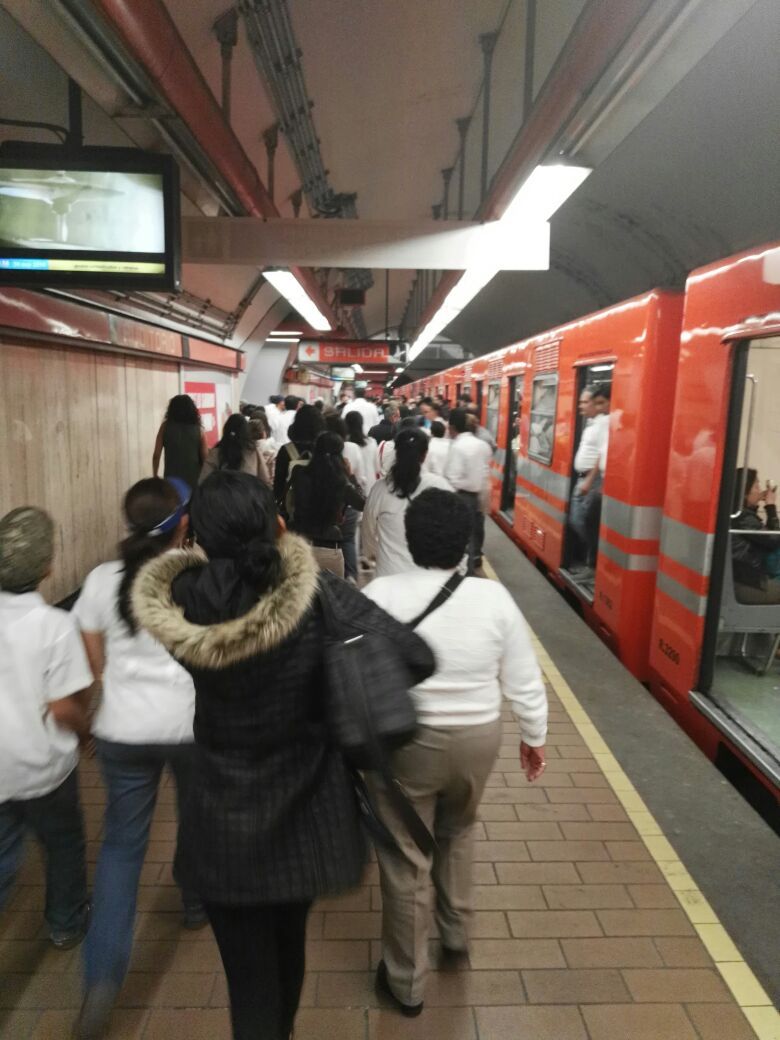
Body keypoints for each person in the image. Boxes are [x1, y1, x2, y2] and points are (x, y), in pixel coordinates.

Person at [131, 471, 435, 1040]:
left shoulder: (182, 602)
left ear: (198, 534)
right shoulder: (318, 593)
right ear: (273, 523)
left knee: (248, 983)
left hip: (220, 821)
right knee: (288, 953)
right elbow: (414, 655)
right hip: (304, 815)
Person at [363, 489, 547, 1015]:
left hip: (406, 741)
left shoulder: (381, 594)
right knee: (459, 828)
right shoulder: (494, 599)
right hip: (477, 738)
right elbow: (524, 680)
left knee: (406, 855)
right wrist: (533, 737)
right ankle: (457, 932)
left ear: (410, 537)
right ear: (467, 542)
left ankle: (405, 982)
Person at [72, 478, 202, 1038]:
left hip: (122, 730)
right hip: (191, 728)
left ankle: (101, 979)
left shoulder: (101, 580)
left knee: (122, 847)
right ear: (180, 524)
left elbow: (92, 662)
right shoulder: (196, 574)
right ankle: (196, 902)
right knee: (197, 819)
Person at [0, 507, 92, 952]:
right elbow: (63, 707)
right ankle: (65, 921)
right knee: (63, 845)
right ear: (47, 567)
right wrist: (87, 734)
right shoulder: (54, 626)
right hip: (44, 768)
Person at [363, 427, 452, 577]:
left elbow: (368, 530)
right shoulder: (441, 486)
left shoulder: (380, 489)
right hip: (428, 579)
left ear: (396, 451)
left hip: (388, 576)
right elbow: (454, 530)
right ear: (424, 455)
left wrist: (373, 554)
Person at [287, 431, 365, 578]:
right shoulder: (341, 483)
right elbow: (363, 504)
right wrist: (351, 476)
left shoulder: (300, 474)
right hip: (329, 548)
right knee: (333, 599)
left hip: (300, 546)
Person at [568, 386, 609, 579]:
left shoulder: (603, 424)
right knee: (581, 520)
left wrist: (590, 480)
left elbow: (601, 454)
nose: (580, 406)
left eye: (585, 402)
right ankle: (591, 560)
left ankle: (594, 563)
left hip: (590, 481)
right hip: (584, 479)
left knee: (583, 521)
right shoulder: (593, 423)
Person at [444, 409, 492, 574]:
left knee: (463, 539)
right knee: (474, 535)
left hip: (461, 496)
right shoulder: (482, 445)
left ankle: (466, 573)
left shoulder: (457, 446)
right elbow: (485, 470)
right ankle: (473, 566)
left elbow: (451, 477)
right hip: (478, 495)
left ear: (452, 427)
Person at [731, 468, 780, 603]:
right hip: (747, 582)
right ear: (744, 493)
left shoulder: (742, 514)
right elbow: (775, 539)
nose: (760, 490)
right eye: (756, 486)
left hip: (750, 577)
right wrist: (770, 507)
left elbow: (768, 536)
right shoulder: (742, 518)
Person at [273, 404, 326, 517]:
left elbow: (278, 486)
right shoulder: (324, 449)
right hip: (321, 512)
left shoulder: (286, 450)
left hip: (292, 512)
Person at [152, 395, 208, 491]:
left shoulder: (165, 427)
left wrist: (155, 476)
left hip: (171, 481)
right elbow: (205, 459)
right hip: (193, 481)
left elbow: (156, 455)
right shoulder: (199, 431)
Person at [199, 414, 271, 485]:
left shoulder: (216, 453)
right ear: (246, 432)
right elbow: (265, 480)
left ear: (226, 430)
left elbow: (203, 481)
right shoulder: (253, 452)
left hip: (222, 496)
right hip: (249, 495)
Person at [344, 410, 379, 494]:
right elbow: (377, 467)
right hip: (370, 486)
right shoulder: (372, 442)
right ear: (361, 423)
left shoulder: (345, 445)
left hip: (352, 491)